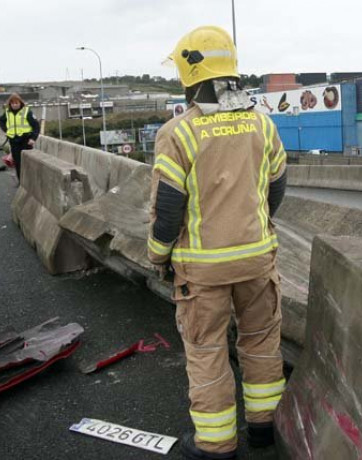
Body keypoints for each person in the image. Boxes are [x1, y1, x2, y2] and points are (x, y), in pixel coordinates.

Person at [148, 26, 288, 459]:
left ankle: (216, 444)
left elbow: (168, 209)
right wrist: (254, 227)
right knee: (262, 341)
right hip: (257, 259)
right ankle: (265, 429)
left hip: (202, 270)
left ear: (190, 75)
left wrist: (157, 255)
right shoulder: (262, 126)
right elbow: (277, 186)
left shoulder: (179, 133)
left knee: (207, 350)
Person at [0, 93, 40, 181]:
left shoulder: (26, 112)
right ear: (10, 104)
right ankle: (21, 182)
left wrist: (33, 139)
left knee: (28, 162)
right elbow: (1, 121)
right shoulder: (7, 113)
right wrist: (6, 130)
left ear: (20, 103)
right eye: (12, 103)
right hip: (13, 141)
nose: (15, 105)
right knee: (17, 163)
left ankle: (30, 181)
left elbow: (36, 126)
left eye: (16, 103)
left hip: (25, 140)